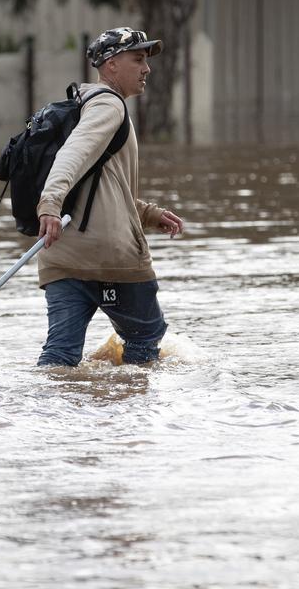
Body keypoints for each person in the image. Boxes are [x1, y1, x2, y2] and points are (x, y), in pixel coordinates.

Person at [35, 27, 185, 367]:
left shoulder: (83, 104)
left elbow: (104, 186)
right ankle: (131, 419)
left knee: (60, 356)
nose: (146, 69)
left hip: (60, 258)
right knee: (144, 344)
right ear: (111, 64)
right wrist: (50, 204)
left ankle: (47, 417)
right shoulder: (108, 105)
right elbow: (72, 155)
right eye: (138, 59)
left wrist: (147, 214)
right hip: (111, 258)